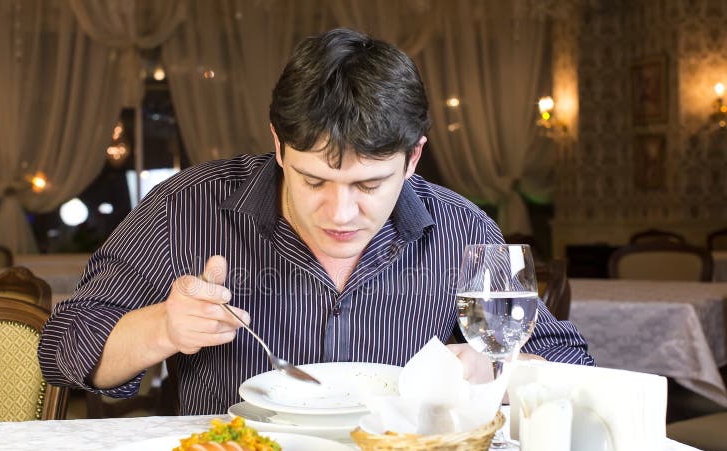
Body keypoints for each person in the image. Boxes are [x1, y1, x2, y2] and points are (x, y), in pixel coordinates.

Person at [38, 28, 594, 415]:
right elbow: (64, 348)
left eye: (369, 185)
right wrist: (163, 327)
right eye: (313, 181)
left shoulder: (462, 231)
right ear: (278, 145)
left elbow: (572, 364)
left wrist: (494, 368)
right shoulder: (187, 208)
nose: (340, 213)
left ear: (414, 158)